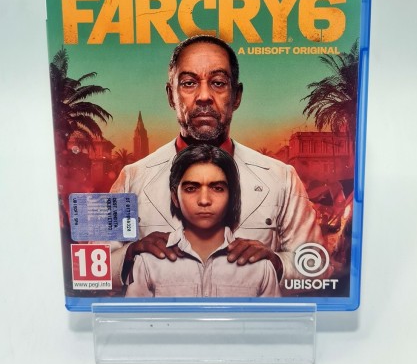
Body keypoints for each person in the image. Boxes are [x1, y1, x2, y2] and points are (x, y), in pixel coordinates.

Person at [110, 34, 324, 291]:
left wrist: (276, 263)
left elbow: (318, 270)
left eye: (218, 83)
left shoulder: (281, 178)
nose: (204, 96)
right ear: (171, 96)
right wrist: (130, 253)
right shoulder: (132, 178)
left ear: (236, 96)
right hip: (164, 318)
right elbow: (92, 267)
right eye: (189, 83)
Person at [126, 145, 281, 297]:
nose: (204, 200)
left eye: (218, 188)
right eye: (191, 189)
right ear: (175, 198)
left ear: (231, 196)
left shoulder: (261, 266)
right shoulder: (147, 263)